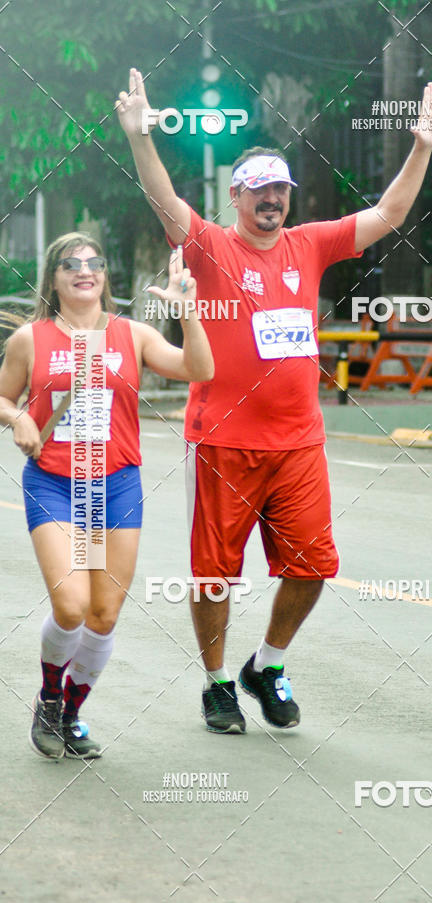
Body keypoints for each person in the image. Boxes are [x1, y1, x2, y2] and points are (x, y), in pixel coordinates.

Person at [117, 69, 432, 734]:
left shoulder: (310, 243)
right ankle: (216, 684)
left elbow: (387, 215)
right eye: (260, 189)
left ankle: (266, 664)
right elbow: (162, 201)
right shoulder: (209, 243)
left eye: (281, 190)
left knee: (315, 565)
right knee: (215, 574)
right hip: (222, 439)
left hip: (299, 441)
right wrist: (140, 137)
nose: (272, 200)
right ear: (235, 195)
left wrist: (421, 149)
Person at [0, 234, 213, 758]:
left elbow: (200, 370)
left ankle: (70, 713)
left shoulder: (132, 334)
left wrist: (188, 312)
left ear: (104, 276)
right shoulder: (31, 339)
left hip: (115, 484)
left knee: (103, 614)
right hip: (54, 481)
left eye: (94, 263)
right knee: (71, 606)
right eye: (70, 264)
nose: (84, 270)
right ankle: (49, 697)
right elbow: (3, 397)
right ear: (53, 278)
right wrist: (18, 414)